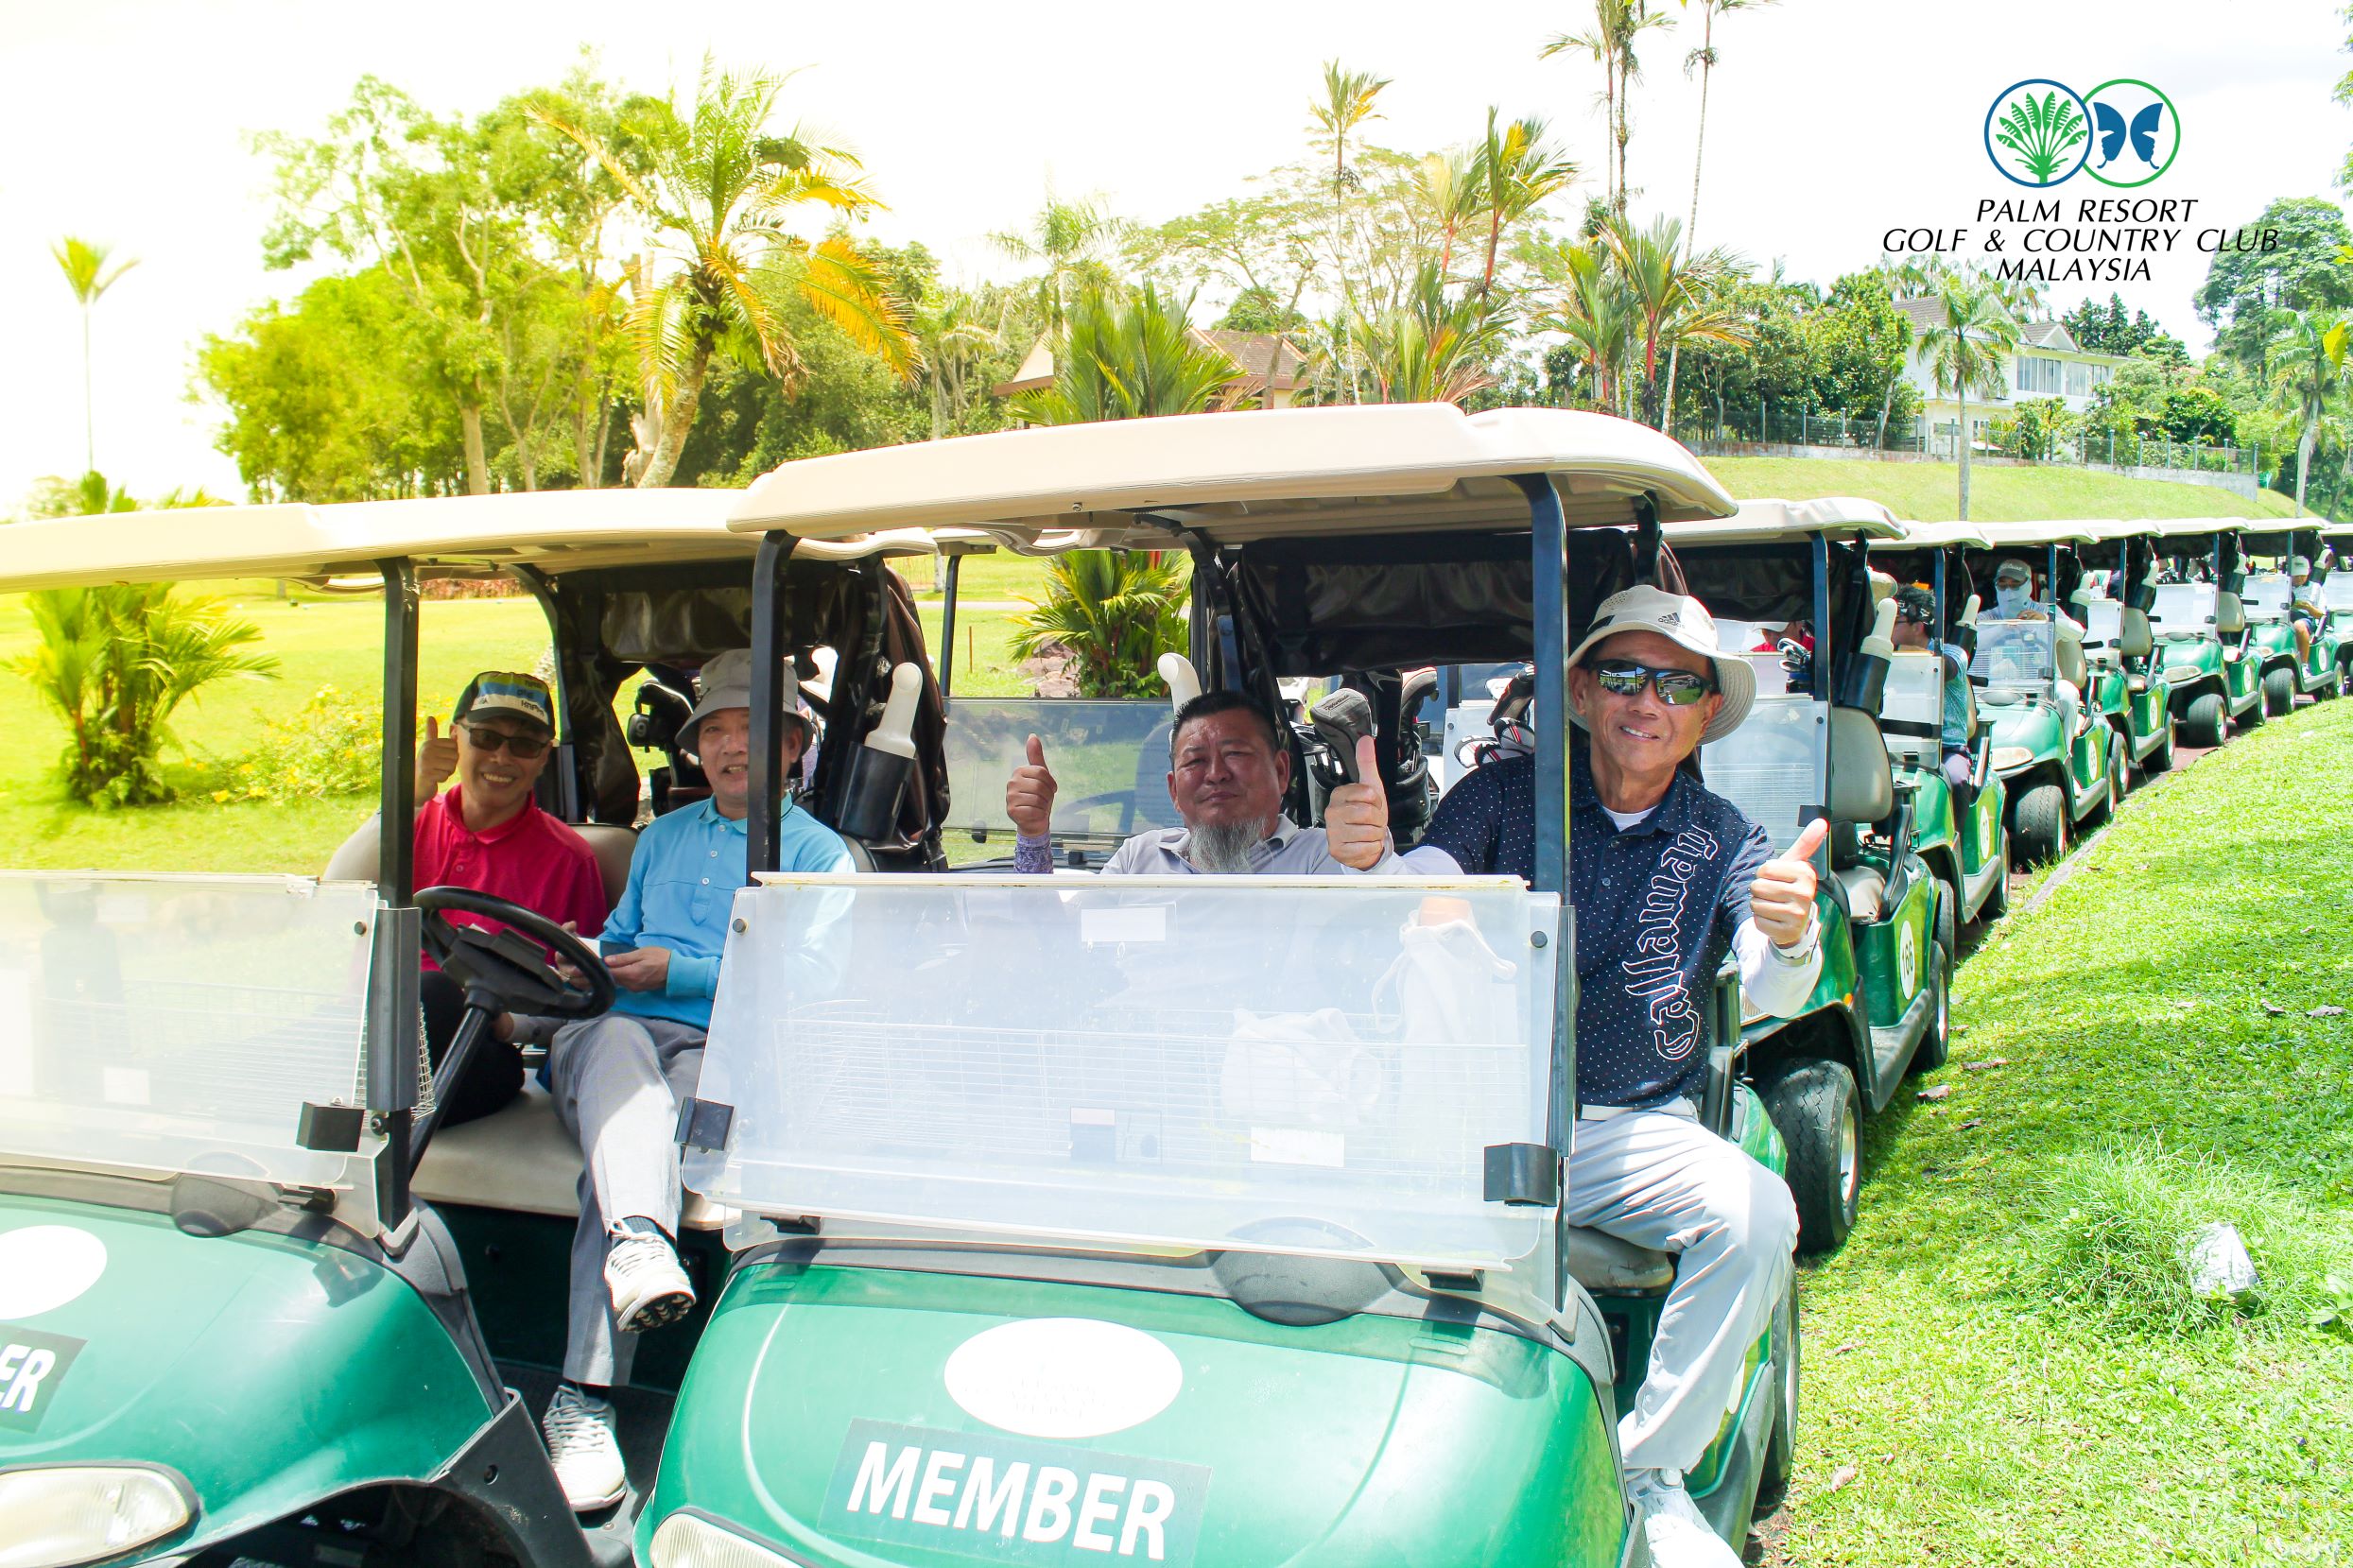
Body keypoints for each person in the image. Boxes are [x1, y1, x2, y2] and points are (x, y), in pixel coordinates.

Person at [1403, 585, 1821, 1568]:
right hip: (1471, 1116)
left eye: (1674, 685)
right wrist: (1395, 882)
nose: (1645, 701)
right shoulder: (1502, 798)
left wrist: (1788, 933)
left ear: (1705, 712)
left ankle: (1650, 1470)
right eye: (1623, 675)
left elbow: (1768, 987)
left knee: (1757, 1214)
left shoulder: (1724, 836)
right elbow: (1417, 887)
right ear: (1583, 693)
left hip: (1625, 1127)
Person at [537, 648, 852, 1512]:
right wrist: (584, 959)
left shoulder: (822, 857)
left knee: (627, 1143)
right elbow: (617, 938)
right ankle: (637, 1258)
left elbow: (814, 981)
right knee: (617, 1053)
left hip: (717, 1054)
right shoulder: (661, 838)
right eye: (714, 731)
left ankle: (586, 1389)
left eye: (751, 729)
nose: (729, 746)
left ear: (792, 745)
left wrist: (677, 970)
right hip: (611, 1032)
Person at [411, 671, 610, 1127]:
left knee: (434, 992)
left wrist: (509, 1020)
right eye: (485, 737)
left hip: (477, 1037)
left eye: (524, 745)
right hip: (380, 1028)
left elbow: (583, 989)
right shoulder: (410, 822)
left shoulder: (568, 858)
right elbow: (346, 892)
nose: (502, 757)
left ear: (543, 759)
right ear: (455, 738)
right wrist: (413, 794)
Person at [1007, 688, 1399, 874]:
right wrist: (1033, 835)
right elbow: (1058, 946)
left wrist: (1369, 858)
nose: (1215, 774)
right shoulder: (1138, 859)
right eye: (1195, 761)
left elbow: (1383, 925)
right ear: (1174, 792)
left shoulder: (1324, 857)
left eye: (1236, 754)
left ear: (1281, 772)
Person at [1891, 584, 1976, 800]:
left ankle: (1957, 822)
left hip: (1946, 747)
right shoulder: (1882, 656)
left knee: (1955, 779)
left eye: (1895, 622)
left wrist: (1903, 654)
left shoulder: (1953, 653)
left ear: (1918, 626)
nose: (1888, 628)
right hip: (1895, 743)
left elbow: (1945, 668)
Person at [2290, 555, 2325, 664]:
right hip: (2284, 616)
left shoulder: (2315, 588)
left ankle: (2303, 663)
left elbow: (2321, 614)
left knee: (2299, 626)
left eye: (2302, 575)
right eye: (2296, 575)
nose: (2300, 578)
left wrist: (2308, 607)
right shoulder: (2283, 585)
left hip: (2305, 617)